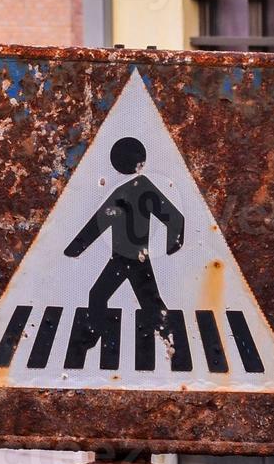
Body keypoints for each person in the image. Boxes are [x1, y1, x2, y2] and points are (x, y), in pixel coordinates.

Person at [63, 136, 189, 370]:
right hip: (127, 257)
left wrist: (76, 249)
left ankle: (170, 340)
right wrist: (175, 243)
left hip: (130, 259)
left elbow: (99, 223)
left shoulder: (127, 192)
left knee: (106, 296)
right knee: (117, 298)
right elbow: (175, 219)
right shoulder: (142, 189)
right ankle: (94, 338)